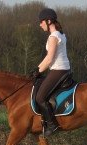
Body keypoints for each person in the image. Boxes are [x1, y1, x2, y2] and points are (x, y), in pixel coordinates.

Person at [35, 8, 71, 136]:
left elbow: (49, 58)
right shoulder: (60, 34)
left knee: (40, 97)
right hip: (62, 69)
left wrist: (38, 71)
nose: (40, 24)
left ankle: (52, 125)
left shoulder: (53, 37)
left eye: (41, 22)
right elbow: (48, 59)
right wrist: (37, 69)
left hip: (58, 70)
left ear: (48, 21)